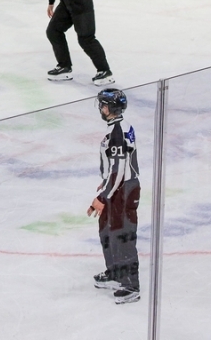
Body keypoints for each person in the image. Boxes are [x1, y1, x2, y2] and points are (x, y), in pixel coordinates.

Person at [87, 89, 140, 305]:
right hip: (117, 187)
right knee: (107, 230)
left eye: (104, 105)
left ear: (111, 108)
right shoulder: (119, 128)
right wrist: (106, 185)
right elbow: (115, 170)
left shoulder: (118, 131)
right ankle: (115, 272)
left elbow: (118, 170)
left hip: (123, 191)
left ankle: (131, 285)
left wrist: (102, 197)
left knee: (123, 236)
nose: (101, 108)